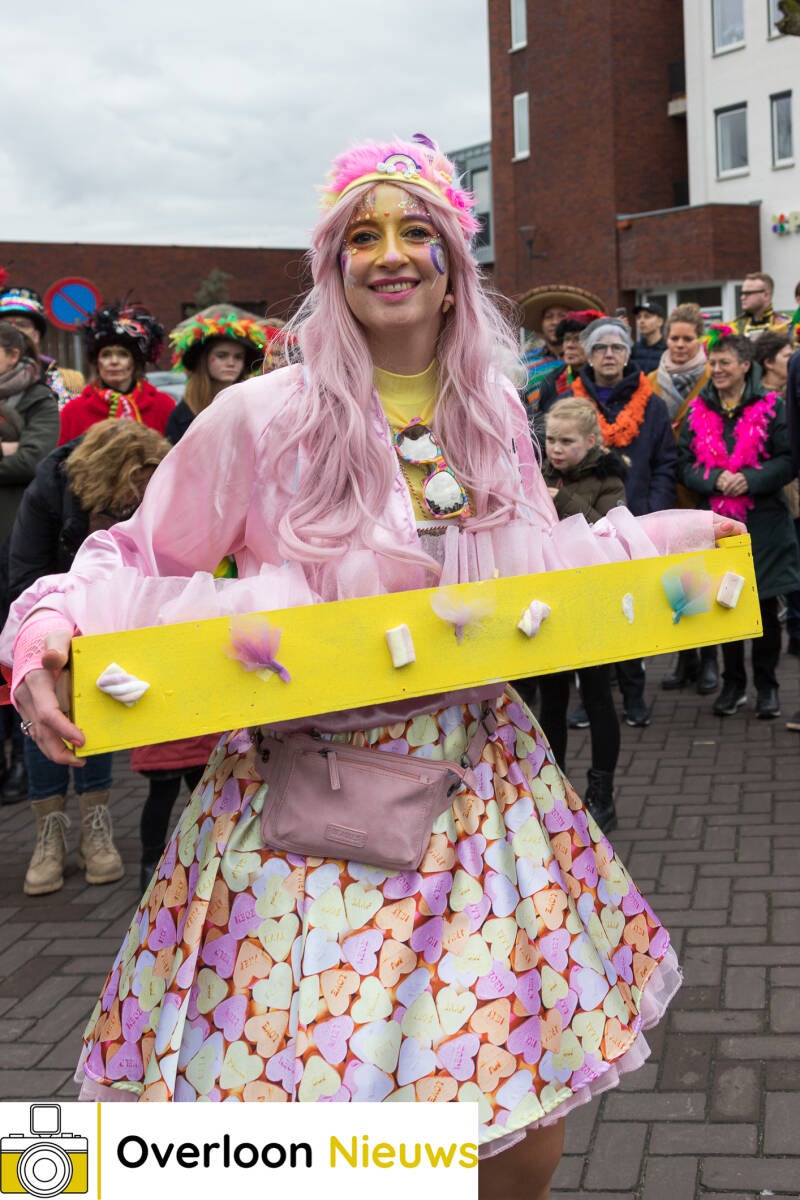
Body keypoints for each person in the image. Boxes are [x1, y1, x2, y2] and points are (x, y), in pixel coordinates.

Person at [3, 135, 741, 1198]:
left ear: (450, 269)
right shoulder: (262, 417)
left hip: (475, 796)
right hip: (298, 814)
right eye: (362, 236)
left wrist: (664, 544)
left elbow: (529, 573)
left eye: (414, 235)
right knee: (305, 1128)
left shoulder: (491, 415)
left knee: (512, 1123)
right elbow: (132, 556)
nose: (388, 255)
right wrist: (55, 627)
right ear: (332, 269)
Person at [8, 419, 171, 893]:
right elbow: (25, 573)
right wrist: (53, 623)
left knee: (96, 718)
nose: (138, 500)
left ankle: (96, 824)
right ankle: (49, 832)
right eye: (131, 491)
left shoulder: (150, 493)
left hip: (109, 626)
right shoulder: (51, 489)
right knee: (44, 711)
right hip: (47, 611)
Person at [517, 396, 627, 834]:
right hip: (549, 599)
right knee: (552, 699)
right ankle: (554, 789)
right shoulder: (539, 474)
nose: (557, 449)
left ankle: (603, 793)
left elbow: (610, 528)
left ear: (592, 441)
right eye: (552, 441)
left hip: (591, 600)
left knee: (598, 696)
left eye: (567, 441)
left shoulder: (610, 476)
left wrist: (561, 499)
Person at [678, 328, 800, 719]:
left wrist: (752, 478)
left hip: (764, 525)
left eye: (724, 363)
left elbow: (788, 458)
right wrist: (713, 480)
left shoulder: (772, 406)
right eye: (712, 363)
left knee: (764, 609)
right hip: (716, 525)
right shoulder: (698, 410)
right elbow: (682, 465)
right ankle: (734, 686)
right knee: (723, 606)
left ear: (746, 365)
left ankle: (766, 687)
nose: (716, 370)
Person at [570, 316, 678, 727]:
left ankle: (634, 696)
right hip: (583, 525)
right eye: (600, 348)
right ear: (589, 355)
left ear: (628, 355)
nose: (609, 354)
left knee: (634, 613)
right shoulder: (573, 404)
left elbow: (666, 463)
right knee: (589, 614)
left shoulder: (652, 405)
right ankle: (592, 698)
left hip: (637, 521)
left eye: (617, 347)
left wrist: (653, 510)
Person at [0, 321, 60, 805]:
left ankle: (23, 758)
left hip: (14, 538)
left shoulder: (38, 398)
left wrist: (17, 453)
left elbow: (34, 460)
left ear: (12, 353)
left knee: (14, 646)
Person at [648, 303, 718, 695]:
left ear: (699, 341)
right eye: (674, 338)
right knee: (673, 580)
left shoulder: (710, 376)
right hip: (667, 490)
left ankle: (709, 660)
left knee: (702, 576)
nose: (679, 345)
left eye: (687, 339)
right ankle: (685, 659)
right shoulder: (652, 379)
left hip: (699, 489)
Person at [58, 304, 174, 445]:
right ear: (97, 362)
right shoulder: (74, 411)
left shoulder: (163, 406)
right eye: (106, 355)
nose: (114, 362)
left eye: (123, 355)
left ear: (134, 362)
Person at [165, 306, 269, 444]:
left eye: (238, 357)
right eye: (222, 356)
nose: (231, 363)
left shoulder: (253, 407)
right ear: (204, 360)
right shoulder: (182, 416)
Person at [517, 283, 604, 413]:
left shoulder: (591, 363)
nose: (555, 322)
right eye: (549, 317)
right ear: (541, 323)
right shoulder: (524, 363)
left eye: (561, 316)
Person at [0, 281, 84, 408]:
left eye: (22, 324)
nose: (14, 330)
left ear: (36, 335)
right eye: (5, 325)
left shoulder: (65, 381)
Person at [533, 309, 603, 443]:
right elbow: (541, 425)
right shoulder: (551, 381)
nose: (570, 345)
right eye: (566, 339)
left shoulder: (603, 380)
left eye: (577, 339)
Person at [732, 272, 790, 340]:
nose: (742, 297)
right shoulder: (735, 327)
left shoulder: (785, 325)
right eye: (742, 293)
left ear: (766, 295)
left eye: (748, 293)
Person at [630, 300, 667, 374]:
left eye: (647, 316)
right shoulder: (634, 349)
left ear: (660, 321)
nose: (641, 321)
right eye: (638, 317)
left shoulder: (668, 349)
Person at [753, 331, 794, 396]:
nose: (794, 359)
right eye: (788, 356)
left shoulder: (793, 390)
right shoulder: (754, 397)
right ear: (769, 363)